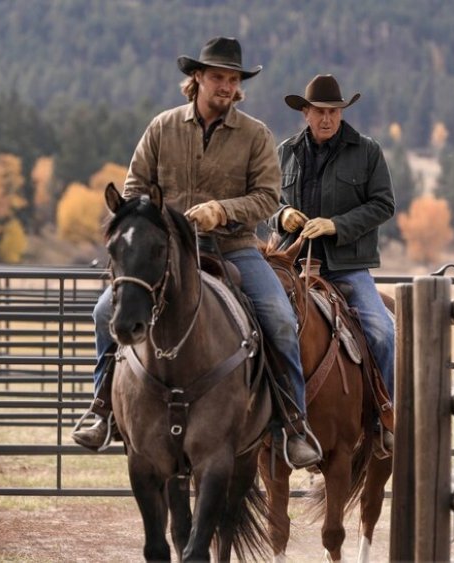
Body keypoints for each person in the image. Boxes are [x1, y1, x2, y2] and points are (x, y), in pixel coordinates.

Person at [72, 37, 322, 469]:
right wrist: (158, 223)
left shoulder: (255, 135)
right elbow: (133, 190)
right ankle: (102, 407)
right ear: (198, 78)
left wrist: (221, 211)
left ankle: (293, 423)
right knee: (102, 312)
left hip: (235, 247)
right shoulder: (162, 127)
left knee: (280, 318)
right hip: (166, 252)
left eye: (233, 79)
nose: (226, 86)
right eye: (218, 77)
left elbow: (267, 197)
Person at [270, 74, 397, 453]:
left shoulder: (367, 151)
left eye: (334, 111)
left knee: (381, 332)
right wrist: (283, 215)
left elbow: (383, 204)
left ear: (342, 113)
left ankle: (385, 418)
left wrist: (336, 225)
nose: (327, 118)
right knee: (249, 326)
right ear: (305, 113)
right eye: (320, 111)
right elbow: (267, 200)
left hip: (345, 266)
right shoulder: (284, 153)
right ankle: (255, 421)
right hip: (289, 264)